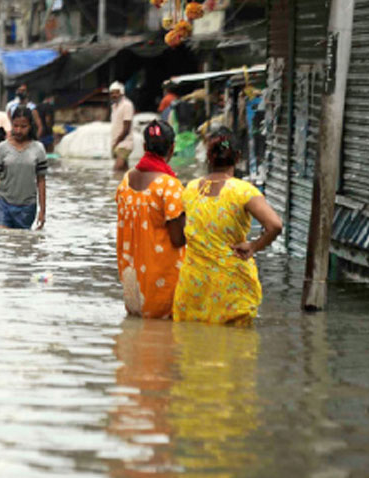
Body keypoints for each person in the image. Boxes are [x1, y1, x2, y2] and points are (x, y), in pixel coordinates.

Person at [173, 127, 284, 324]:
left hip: (193, 287)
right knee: (235, 349)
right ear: (238, 157)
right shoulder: (243, 191)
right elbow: (275, 225)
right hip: (231, 287)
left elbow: (181, 235)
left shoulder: (189, 189)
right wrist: (253, 246)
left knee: (192, 349)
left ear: (209, 157)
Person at [116, 120, 186, 319]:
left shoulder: (126, 181)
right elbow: (178, 239)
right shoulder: (170, 186)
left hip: (133, 283)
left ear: (145, 147)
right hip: (163, 285)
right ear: (172, 148)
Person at [109, 81, 135, 171]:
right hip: (116, 143)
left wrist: (117, 142)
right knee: (124, 170)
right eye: (112, 93)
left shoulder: (127, 105)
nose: (113, 95)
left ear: (122, 92)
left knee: (116, 169)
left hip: (124, 144)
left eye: (116, 92)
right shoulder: (114, 107)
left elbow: (126, 128)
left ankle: (115, 184)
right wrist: (114, 144)